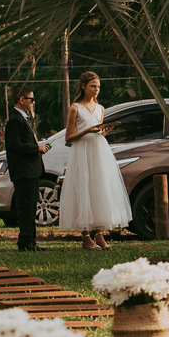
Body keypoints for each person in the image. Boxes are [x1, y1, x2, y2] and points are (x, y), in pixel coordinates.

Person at [57, 72, 132, 249]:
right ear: (83, 86)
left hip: (98, 151)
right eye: (92, 86)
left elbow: (98, 131)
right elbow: (68, 137)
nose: (96, 90)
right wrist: (87, 131)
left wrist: (104, 131)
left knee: (99, 189)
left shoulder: (100, 108)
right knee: (83, 188)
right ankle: (85, 236)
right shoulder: (75, 108)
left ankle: (99, 234)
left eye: (98, 87)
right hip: (81, 152)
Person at [4, 86, 50, 252]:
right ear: (21, 100)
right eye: (31, 99)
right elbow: (14, 145)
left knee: (31, 208)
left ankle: (30, 240)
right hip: (23, 171)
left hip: (31, 170)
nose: (33, 103)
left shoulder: (24, 118)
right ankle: (25, 242)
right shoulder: (15, 120)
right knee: (25, 208)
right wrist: (36, 148)